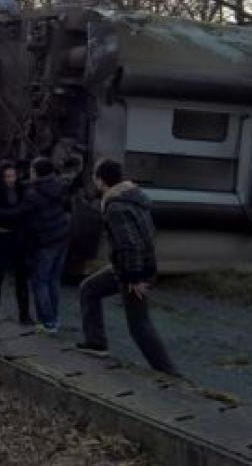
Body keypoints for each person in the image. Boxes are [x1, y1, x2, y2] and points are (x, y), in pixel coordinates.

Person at [76, 159, 179, 376]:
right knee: (89, 289)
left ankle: (169, 373)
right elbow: (148, 236)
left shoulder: (116, 206)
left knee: (139, 325)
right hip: (131, 268)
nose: (94, 181)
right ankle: (96, 343)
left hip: (133, 272)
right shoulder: (133, 198)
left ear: (101, 180)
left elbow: (129, 244)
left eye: (95, 177)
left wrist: (135, 278)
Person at [20, 157, 70, 334]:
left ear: (36, 172)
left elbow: (26, 219)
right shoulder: (59, 186)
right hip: (62, 238)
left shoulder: (33, 194)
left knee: (40, 281)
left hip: (45, 241)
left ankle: (46, 322)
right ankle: (54, 319)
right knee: (54, 280)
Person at [0, 160, 32, 325]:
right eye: (7, 176)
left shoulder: (21, 188)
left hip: (16, 236)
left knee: (21, 276)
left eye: (13, 175)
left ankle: (24, 315)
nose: (11, 179)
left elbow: (19, 212)